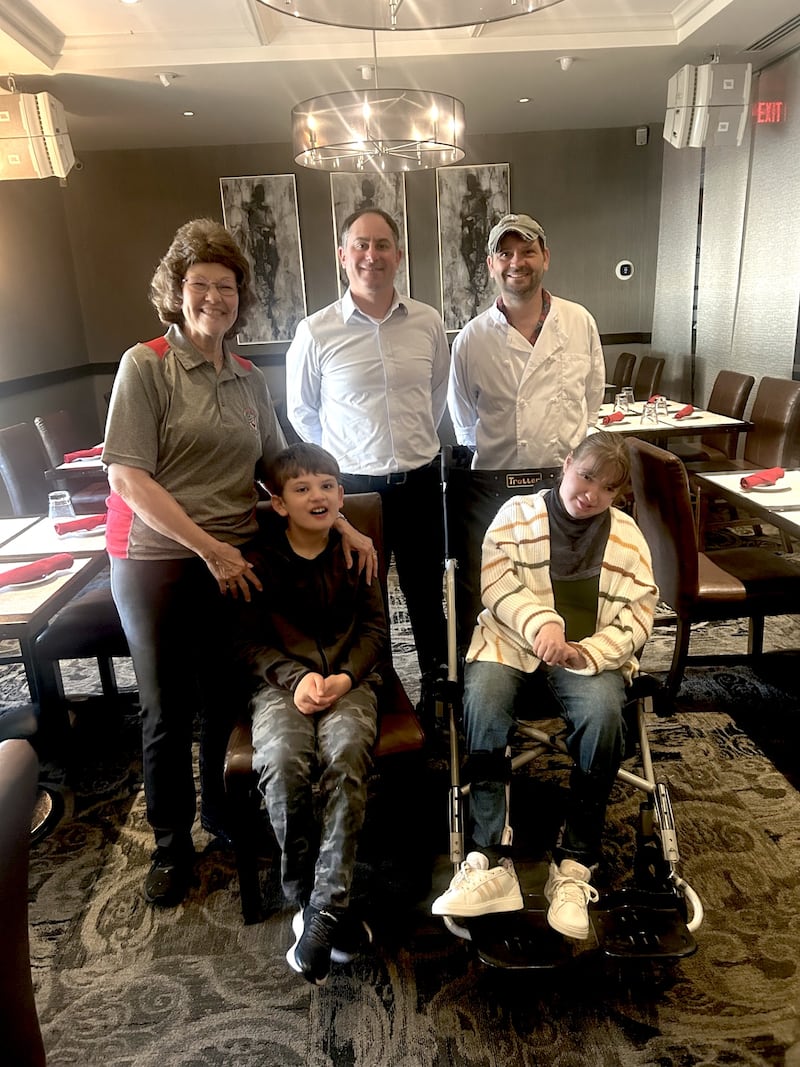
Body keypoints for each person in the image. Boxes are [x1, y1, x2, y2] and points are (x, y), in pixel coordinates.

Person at [103, 218, 375, 908]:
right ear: (177, 290)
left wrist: (343, 522)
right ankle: (169, 843)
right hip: (159, 558)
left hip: (234, 562)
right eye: (201, 285)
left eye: (226, 287)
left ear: (239, 298)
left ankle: (223, 817)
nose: (215, 299)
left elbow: (281, 471)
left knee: (225, 696)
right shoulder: (148, 364)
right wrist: (210, 546)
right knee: (167, 706)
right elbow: (128, 477)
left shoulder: (250, 378)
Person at [431, 433, 658, 940]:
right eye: (586, 477)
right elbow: (495, 583)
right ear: (566, 465)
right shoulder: (516, 513)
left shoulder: (626, 536)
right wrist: (541, 625)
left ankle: (575, 866)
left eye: (607, 488)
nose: (591, 494)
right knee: (483, 703)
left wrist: (590, 651)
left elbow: (641, 612)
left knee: (603, 717)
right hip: (511, 643)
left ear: (619, 495)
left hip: (588, 655)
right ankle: (489, 859)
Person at [235, 443, 387, 986]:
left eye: (326, 486)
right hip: (281, 686)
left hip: (351, 681)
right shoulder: (257, 562)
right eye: (301, 489)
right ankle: (312, 903)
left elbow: (375, 632)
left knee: (346, 753)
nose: (316, 496)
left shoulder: (357, 555)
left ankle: (322, 911)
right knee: (282, 760)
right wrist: (295, 680)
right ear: (278, 503)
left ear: (341, 496)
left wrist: (346, 677)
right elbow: (247, 645)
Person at [286, 207, 450, 682]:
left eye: (382, 245)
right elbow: (302, 412)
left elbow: (435, 395)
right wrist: (336, 469)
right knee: (364, 598)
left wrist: (413, 438)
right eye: (360, 244)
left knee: (425, 595)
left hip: (420, 483)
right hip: (355, 492)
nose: (371, 255)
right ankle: (375, 693)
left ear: (398, 255)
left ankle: (438, 697)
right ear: (342, 255)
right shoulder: (316, 332)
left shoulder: (428, 322)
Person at [446, 212, 608, 633]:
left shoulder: (579, 322)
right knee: (498, 584)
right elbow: (462, 417)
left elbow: (592, 400)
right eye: (505, 253)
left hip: (562, 481)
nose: (516, 261)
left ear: (546, 258)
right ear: (491, 264)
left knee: (563, 584)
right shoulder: (472, 338)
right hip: (495, 485)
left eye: (527, 251)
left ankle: (562, 659)